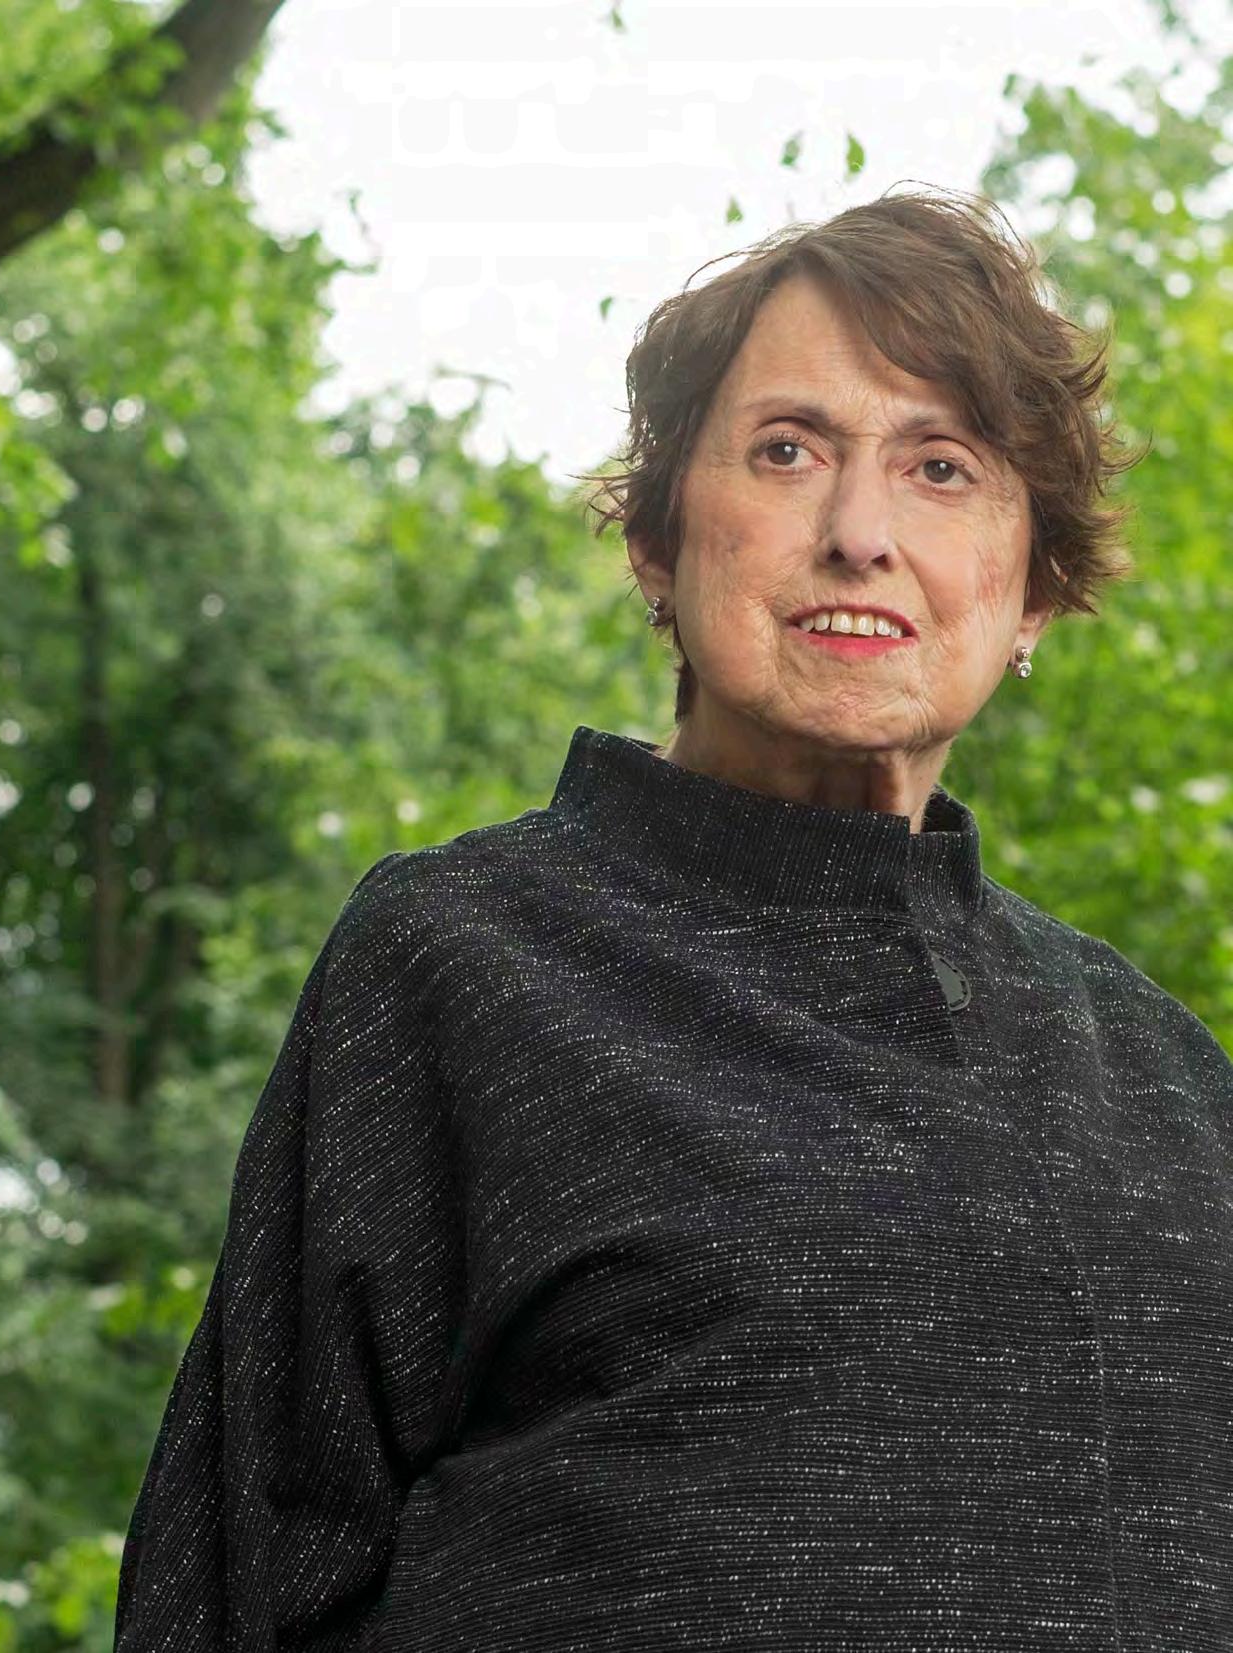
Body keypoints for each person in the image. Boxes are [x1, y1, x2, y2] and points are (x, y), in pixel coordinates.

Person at [113, 188, 1232, 1651]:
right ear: (657, 540)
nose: (859, 533)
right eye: (788, 450)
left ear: (1031, 591)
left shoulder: (1168, 1073)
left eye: (941, 467)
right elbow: (234, 1584)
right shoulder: (464, 959)